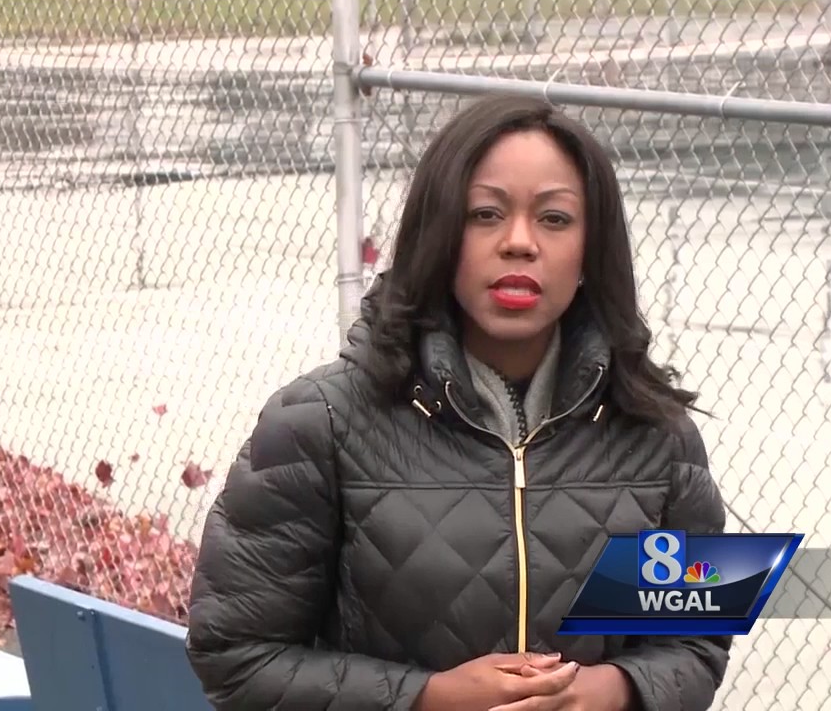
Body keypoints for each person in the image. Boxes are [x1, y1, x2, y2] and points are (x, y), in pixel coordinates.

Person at [184, 94, 731, 711]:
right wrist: (429, 698)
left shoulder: (657, 431)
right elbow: (235, 656)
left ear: (591, 250)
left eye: (554, 219)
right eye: (485, 214)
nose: (520, 242)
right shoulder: (319, 423)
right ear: (440, 235)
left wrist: (616, 690)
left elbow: (696, 640)